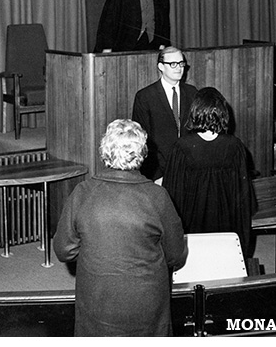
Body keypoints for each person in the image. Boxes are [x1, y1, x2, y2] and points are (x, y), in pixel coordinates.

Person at [53, 119, 187, 336]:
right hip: (147, 307)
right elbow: (175, 255)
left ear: (105, 151)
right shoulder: (158, 196)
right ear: (142, 153)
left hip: (97, 303)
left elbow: (63, 250)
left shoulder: (83, 193)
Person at [162, 87, 257, 257]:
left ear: (195, 111)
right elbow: (243, 196)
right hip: (226, 225)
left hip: (191, 227)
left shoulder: (181, 147)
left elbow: (172, 194)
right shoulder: (235, 146)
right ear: (223, 112)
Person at [132, 46, 198, 181]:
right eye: (173, 64)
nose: (179, 68)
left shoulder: (192, 93)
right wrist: (156, 176)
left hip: (190, 170)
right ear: (161, 66)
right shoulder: (145, 97)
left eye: (181, 63)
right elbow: (141, 141)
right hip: (158, 174)